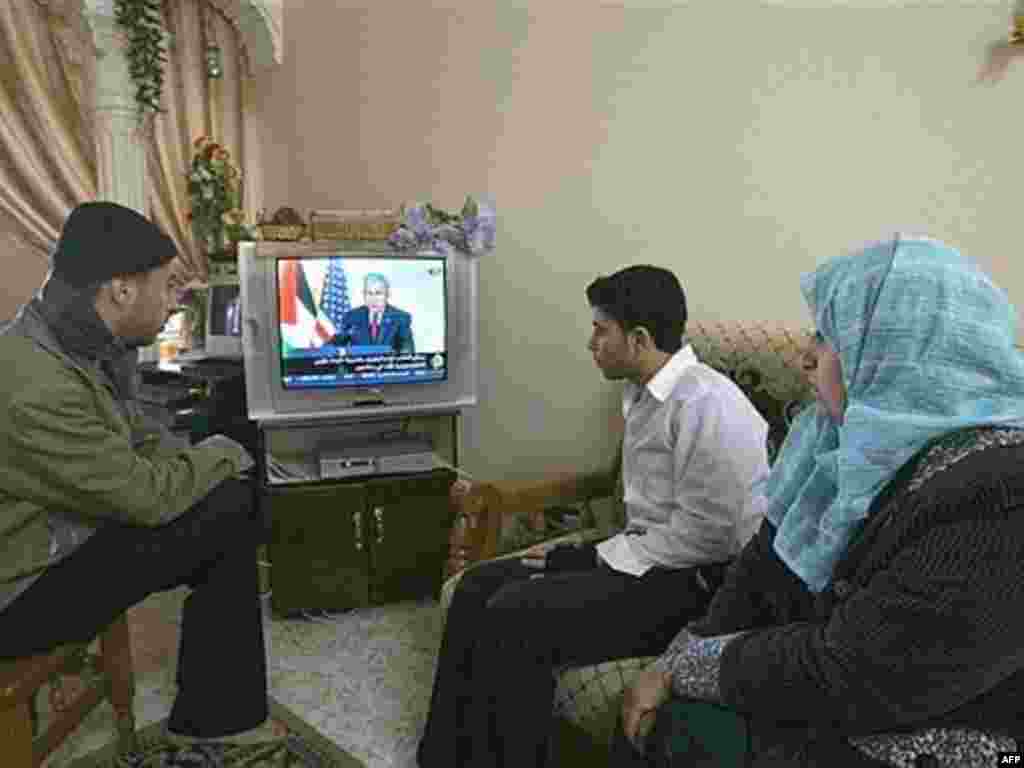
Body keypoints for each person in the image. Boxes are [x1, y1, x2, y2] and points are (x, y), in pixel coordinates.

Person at [614, 236, 1024, 767]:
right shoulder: (844, 440)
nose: (806, 356)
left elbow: (862, 669)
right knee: (678, 723)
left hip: (948, 732)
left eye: (830, 336)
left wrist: (690, 666)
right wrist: (677, 657)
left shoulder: (1001, 493)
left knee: (695, 734)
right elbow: (764, 564)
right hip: (849, 689)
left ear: (904, 349)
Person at [417, 265, 772, 768]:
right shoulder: (643, 394)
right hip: (647, 559)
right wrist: (589, 555)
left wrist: (587, 557)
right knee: (476, 588)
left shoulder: (708, 406)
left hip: (693, 582)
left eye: (601, 330)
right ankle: (445, 757)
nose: (591, 343)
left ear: (639, 338)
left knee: (516, 613)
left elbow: (711, 537)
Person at [0, 202, 280, 746]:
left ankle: (218, 712)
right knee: (230, 505)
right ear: (121, 290)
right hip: (16, 592)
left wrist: (201, 460)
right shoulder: (36, 384)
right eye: (168, 285)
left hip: (57, 533)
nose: (176, 301)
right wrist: (227, 451)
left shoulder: (79, 341)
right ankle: (219, 719)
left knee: (224, 498)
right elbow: (146, 496)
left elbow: (143, 438)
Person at [328, 272, 414, 354]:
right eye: (369, 293)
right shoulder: (351, 317)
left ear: (387, 294)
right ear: (364, 295)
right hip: (358, 363)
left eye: (378, 293)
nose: (373, 299)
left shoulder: (400, 318)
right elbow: (332, 347)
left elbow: (407, 352)